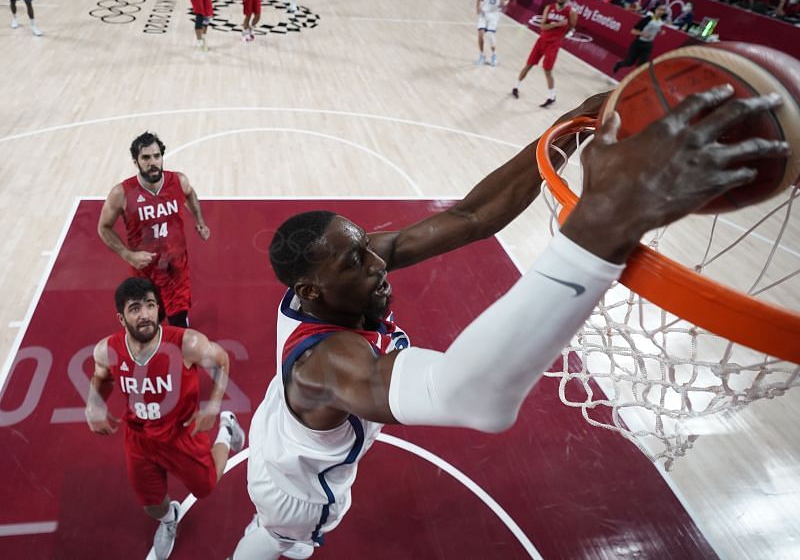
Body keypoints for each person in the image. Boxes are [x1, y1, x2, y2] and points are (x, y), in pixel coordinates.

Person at [229, 86, 788, 560]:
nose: (378, 262)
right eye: (357, 261)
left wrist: (573, 126)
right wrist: (602, 224)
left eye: (366, 246)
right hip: (295, 486)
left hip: (285, 425)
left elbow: (471, 216)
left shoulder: (337, 276)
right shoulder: (327, 368)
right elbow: (472, 397)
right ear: (311, 290)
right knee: (283, 541)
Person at [86, 277, 246, 560]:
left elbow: (222, 360)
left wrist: (213, 407)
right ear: (121, 318)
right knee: (151, 505)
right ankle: (169, 518)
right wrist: (93, 404)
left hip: (180, 432)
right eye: (135, 308)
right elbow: (102, 377)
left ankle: (226, 427)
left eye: (150, 305)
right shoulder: (107, 349)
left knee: (205, 486)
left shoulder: (187, 343)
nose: (146, 314)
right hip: (139, 438)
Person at [97, 132, 211, 329]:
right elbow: (103, 228)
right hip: (146, 273)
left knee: (178, 326)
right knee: (148, 325)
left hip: (176, 270)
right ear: (136, 161)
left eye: (157, 156)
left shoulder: (178, 181)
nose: (153, 162)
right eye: (146, 157)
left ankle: (180, 354)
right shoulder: (122, 193)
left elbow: (190, 194)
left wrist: (200, 221)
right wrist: (127, 254)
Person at [511, 0, 577, 107]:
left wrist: (559, 33)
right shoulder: (549, 8)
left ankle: (552, 96)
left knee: (547, 70)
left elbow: (571, 28)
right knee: (528, 65)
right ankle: (515, 87)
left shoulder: (571, 12)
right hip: (541, 41)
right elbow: (542, 27)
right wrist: (557, 24)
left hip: (553, 44)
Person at [613, 4, 668, 74]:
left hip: (648, 45)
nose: (660, 11)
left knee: (642, 65)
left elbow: (657, 28)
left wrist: (661, 31)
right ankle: (619, 64)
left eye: (663, 10)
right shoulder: (647, 19)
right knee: (629, 62)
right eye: (659, 9)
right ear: (655, 10)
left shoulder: (660, 21)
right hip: (638, 43)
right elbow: (633, 31)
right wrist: (643, 34)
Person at [475, 0, 510, 67]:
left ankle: (494, 55)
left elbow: (507, 0)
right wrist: (478, 8)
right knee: (481, 35)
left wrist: (505, 2)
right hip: (484, 12)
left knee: (490, 35)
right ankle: (482, 55)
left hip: (494, 14)